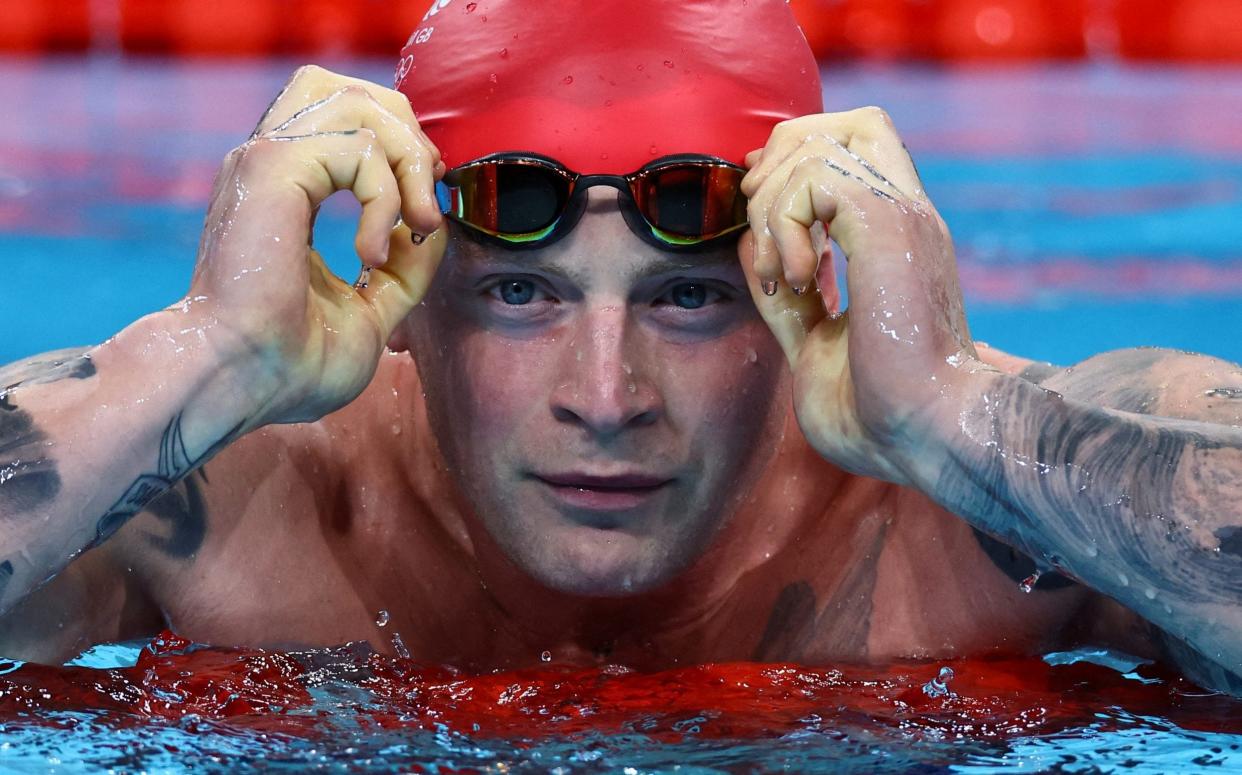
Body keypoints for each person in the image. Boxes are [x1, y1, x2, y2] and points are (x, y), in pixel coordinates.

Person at [0, 0, 1239, 694]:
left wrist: (950, 410)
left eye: (688, 301)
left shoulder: (1011, 523)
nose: (606, 395)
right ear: (408, 301)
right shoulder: (225, 513)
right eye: (522, 296)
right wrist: (209, 352)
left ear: (794, 287)